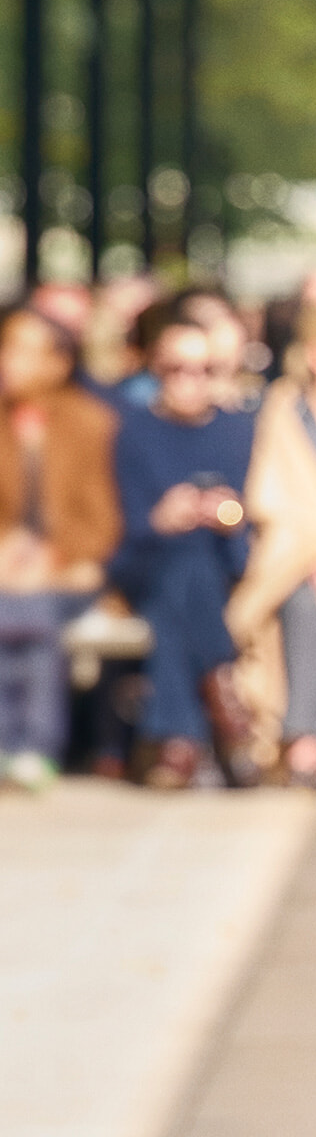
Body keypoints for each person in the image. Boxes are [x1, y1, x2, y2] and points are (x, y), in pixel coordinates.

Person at [109, 318, 256, 789]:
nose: (190, 381)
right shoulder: (134, 432)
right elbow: (124, 530)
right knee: (184, 570)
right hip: (147, 561)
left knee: (186, 579)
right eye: (176, 369)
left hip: (215, 567)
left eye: (204, 369)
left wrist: (228, 515)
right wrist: (161, 519)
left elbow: (250, 520)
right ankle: (223, 697)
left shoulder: (237, 430)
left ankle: (179, 742)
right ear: (156, 370)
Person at [226, 303, 316, 785]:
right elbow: (268, 491)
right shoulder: (284, 406)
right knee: (303, 605)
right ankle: (305, 741)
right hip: (296, 555)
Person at [0, 307, 122, 788]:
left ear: (59, 362)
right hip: (9, 571)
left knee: (29, 609)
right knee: (15, 604)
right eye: (7, 347)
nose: (10, 361)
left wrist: (54, 558)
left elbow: (105, 519)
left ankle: (30, 745)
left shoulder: (91, 422)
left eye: (25, 350)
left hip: (73, 571)